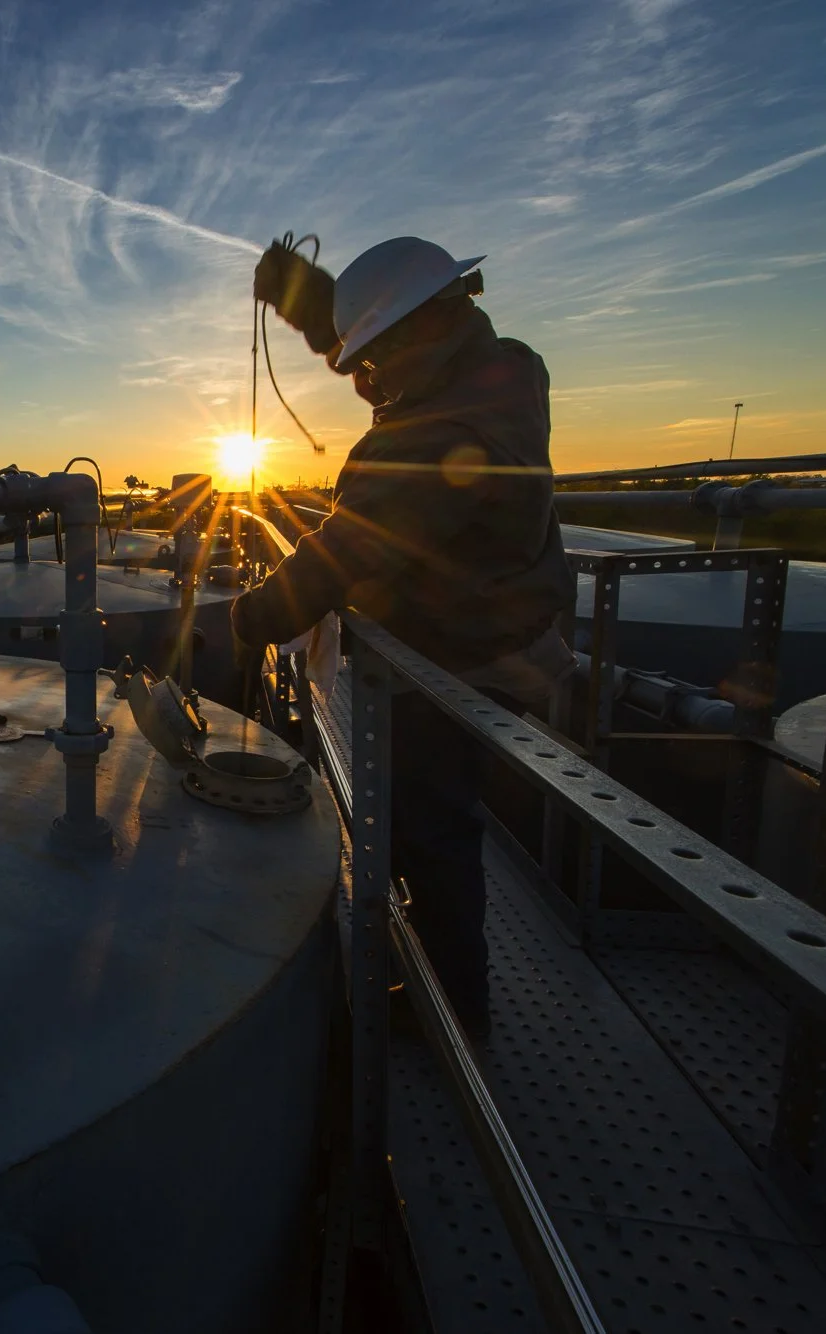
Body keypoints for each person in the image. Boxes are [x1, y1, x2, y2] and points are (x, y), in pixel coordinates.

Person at [234, 236, 576, 1041]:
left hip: (457, 658)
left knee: (432, 831)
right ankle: (437, 983)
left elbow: (344, 552)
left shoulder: (425, 436)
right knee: (435, 820)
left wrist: (245, 618)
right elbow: (401, 371)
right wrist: (313, 304)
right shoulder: (510, 369)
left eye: (375, 360)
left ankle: (455, 1017)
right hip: (519, 627)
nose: (367, 379)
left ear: (412, 336)